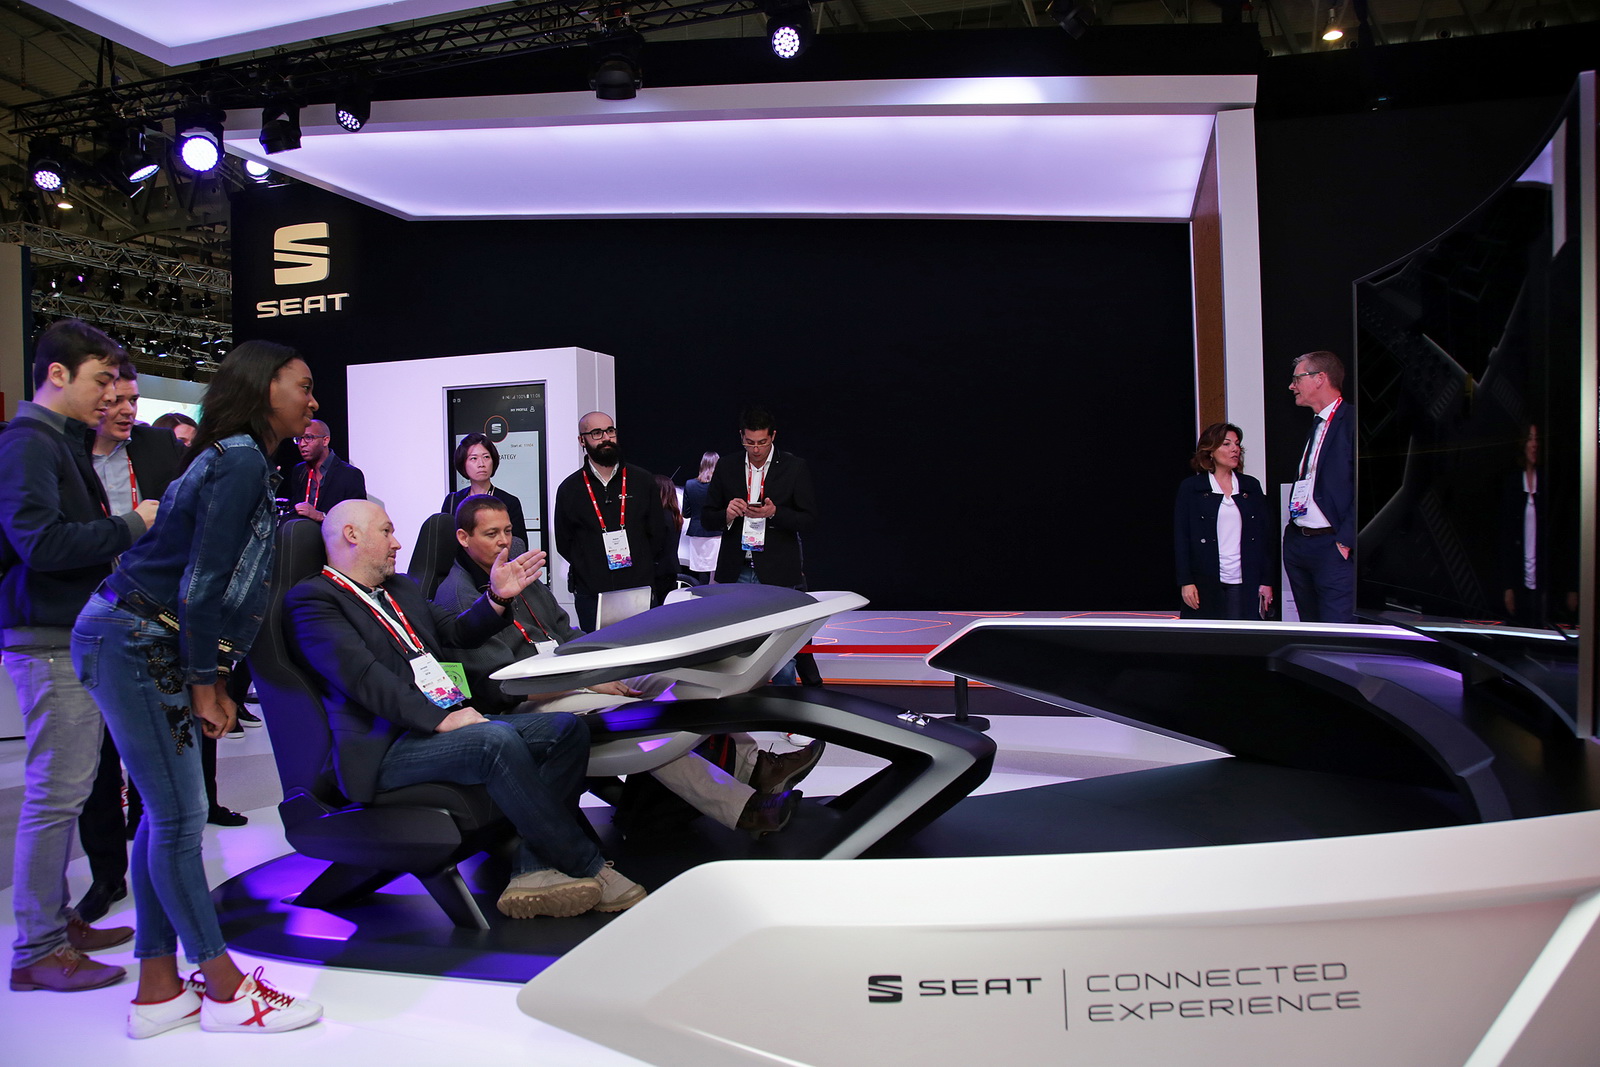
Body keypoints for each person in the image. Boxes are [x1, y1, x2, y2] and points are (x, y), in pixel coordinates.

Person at [70, 339, 324, 1036]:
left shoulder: (234, 455)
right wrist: (207, 683)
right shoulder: (239, 458)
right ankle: (226, 987)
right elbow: (204, 581)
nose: (312, 400)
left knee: (166, 816)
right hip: (135, 636)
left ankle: (158, 989)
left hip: (137, 634)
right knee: (181, 817)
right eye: (303, 385)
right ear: (264, 386)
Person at [284, 498, 648, 918]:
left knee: (566, 730)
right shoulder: (313, 601)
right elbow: (364, 678)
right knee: (493, 740)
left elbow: (457, 633)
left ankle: (533, 869)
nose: (397, 543)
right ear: (352, 535)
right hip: (387, 747)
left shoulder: (400, 590)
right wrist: (440, 718)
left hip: (435, 728)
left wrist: (496, 597)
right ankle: (589, 866)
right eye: (386, 531)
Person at [434, 495, 817, 834]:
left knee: (685, 685)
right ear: (463, 538)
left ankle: (756, 766)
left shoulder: (518, 572)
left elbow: (566, 633)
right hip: (534, 697)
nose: (504, 541)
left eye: (508, 531)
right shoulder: (457, 597)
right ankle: (743, 809)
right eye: (491, 534)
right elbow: (502, 687)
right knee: (643, 719)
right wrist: (587, 681)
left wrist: (611, 662)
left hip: (574, 674)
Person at [2, 320, 153, 994]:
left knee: (67, 788)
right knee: (56, 793)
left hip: (66, 634)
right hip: (47, 638)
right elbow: (40, 544)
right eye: (101, 381)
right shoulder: (28, 443)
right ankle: (37, 947)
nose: (110, 396)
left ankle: (55, 923)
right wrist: (132, 525)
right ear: (58, 374)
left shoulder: (53, 442)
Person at [75, 366, 192, 924]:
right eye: (115, 399)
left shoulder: (160, 450)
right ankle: (107, 875)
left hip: (157, 620)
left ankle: (157, 866)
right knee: (96, 762)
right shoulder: (63, 454)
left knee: (161, 760)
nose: (126, 409)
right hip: (87, 618)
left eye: (133, 399)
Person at [702, 406, 821, 685]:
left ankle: (785, 706)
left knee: (782, 653)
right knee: (735, 648)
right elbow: (706, 518)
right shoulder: (727, 466)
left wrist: (775, 513)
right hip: (736, 570)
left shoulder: (793, 467)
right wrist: (726, 514)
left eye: (762, 442)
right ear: (741, 436)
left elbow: (809, 519)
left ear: (773, 436)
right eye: (750, 442)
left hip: (778, 572)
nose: (756, 449)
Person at [552, 411, 675, 632]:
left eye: (610, 431)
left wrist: (639, 564)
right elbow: (564, 542)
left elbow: (657, 533)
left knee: (643, 648)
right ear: (582, 440)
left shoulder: (642, 480)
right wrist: (591, 568)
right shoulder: (570, 489)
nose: (606, 438)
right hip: (592, 593)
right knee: (599, 651)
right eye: (596, 433)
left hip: (638, 589)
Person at [1173, 423, 1275, 621]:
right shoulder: (1192, 488)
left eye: (1237, 444)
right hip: (1205, 578)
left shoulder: (1250, 486)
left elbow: (1265, 537)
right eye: (1227, 444)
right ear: (1210, 451)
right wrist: (1186, 581)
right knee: (1207, 635)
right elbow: (1182, 537)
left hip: (1243, 579)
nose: (1235, 449)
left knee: (1240, 635)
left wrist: (1266, 580)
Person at [1283, 351, 1356, 623]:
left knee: (1337, 634)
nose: (1291, 386)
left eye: (1297, 379)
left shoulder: (1352, 421)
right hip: (1299, 544)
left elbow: (1371, 489)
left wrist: (1345, 541)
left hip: (1332, 547)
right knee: (1310, 630)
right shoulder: (1315, 425)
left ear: (1320, 378)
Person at [439, 432, 528, 544]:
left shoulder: (509, 502)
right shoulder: (452, 501)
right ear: (463, 464)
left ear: (493, 461)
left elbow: (519, 544)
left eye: (486, 457)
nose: (481, 464)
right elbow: (444, 542)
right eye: (473, 458)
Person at [287, 418, 366, 522]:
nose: (302, 444)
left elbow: (357, 518)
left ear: (325, 441)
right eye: (299, 439)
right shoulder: (299, 471)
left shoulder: (350, 475)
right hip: (301, 531)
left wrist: (321, 516)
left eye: (308, 438)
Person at [682, 451, 722, 582]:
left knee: (701, 571)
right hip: (717, 533)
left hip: (697, 532)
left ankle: (702, 593)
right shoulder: (720, 486)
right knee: (716, 571)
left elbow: (686, 513)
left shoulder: (690, 484)